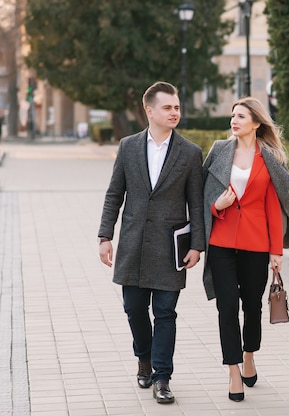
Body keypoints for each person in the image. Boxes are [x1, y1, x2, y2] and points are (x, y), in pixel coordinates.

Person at [97, 81, 205, 405]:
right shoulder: (128, 146)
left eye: (177, 107)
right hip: (133, 243)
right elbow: (115, 194)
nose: (175, 112)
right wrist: (105, 236)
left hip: (171, 249)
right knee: (133, 308)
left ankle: (162, 376)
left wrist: (197, 245)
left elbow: (196, 204)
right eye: (168, 107)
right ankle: (143, 356)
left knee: (165, 312)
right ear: (149, 111)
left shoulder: (190, 153)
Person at [202, 96, 289, 402]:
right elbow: (204, 194)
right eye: (232, 115)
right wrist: (218, 206)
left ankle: (249, 354)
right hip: (221, 242)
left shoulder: (268, 158)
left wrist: (276, 250)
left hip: (256, 244)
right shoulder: (219, 150)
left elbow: (273, 206)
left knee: (252, 306)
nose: (234, 120)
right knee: (226, 307)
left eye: (241, 116)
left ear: (256, 122)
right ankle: (233, 372)